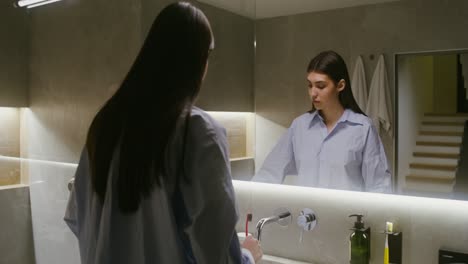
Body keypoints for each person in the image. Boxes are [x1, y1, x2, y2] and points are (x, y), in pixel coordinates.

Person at [64, 2, 262, 263]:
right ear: (196, 61)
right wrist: (249, 255)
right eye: (207, 56)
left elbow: (78, 220)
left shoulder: (105, 126)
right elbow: (215, 252)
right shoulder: (198, 131)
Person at [252, 50, 391, 193]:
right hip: (304, 214)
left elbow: (379, 187)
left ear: (340, 85)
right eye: (310, 85)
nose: (313, 93)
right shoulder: (299, 126)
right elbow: (269, 173)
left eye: (320, 86)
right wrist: (249, 199)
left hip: (346, 215)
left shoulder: (363, 128)